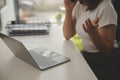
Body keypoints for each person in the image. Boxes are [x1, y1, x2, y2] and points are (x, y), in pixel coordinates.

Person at [63, 0, 120, 80]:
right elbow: (67, 35)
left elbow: (106, 49)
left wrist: (93, 33)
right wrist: (68, 10)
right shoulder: (79, 5)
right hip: (88, 56)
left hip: (105, 61)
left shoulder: (106, 8)